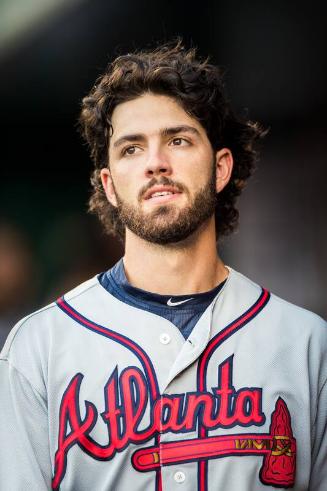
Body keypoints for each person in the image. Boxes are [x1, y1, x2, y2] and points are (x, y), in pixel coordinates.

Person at [0, 41, 326, 491]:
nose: (156, 163)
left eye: (177, 140)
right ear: (110, 186)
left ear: (220, 167)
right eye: (131, 149)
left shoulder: (308, 346)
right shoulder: (37, 349)